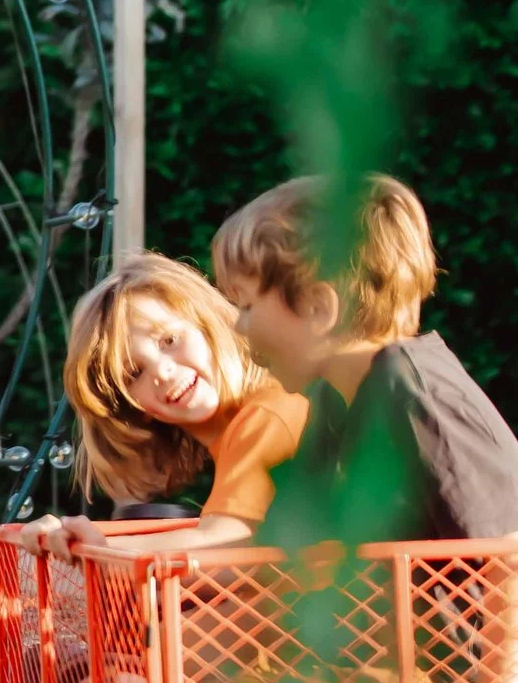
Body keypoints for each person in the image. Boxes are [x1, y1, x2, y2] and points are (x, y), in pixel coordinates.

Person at [211, 175, 518, 542]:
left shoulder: (411, 386)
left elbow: (508, 556)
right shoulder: (331, 400)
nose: (239, 326)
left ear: (318, 308)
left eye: (246, 305)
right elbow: (278, 545)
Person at [31, 254, 307, 555]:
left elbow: (228, 549)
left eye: (169, 340)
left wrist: (93, 549)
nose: (162, 372)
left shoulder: (271, 413)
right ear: (133, 409)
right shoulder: (248, 427)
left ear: (210, 324)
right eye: (134, 373)